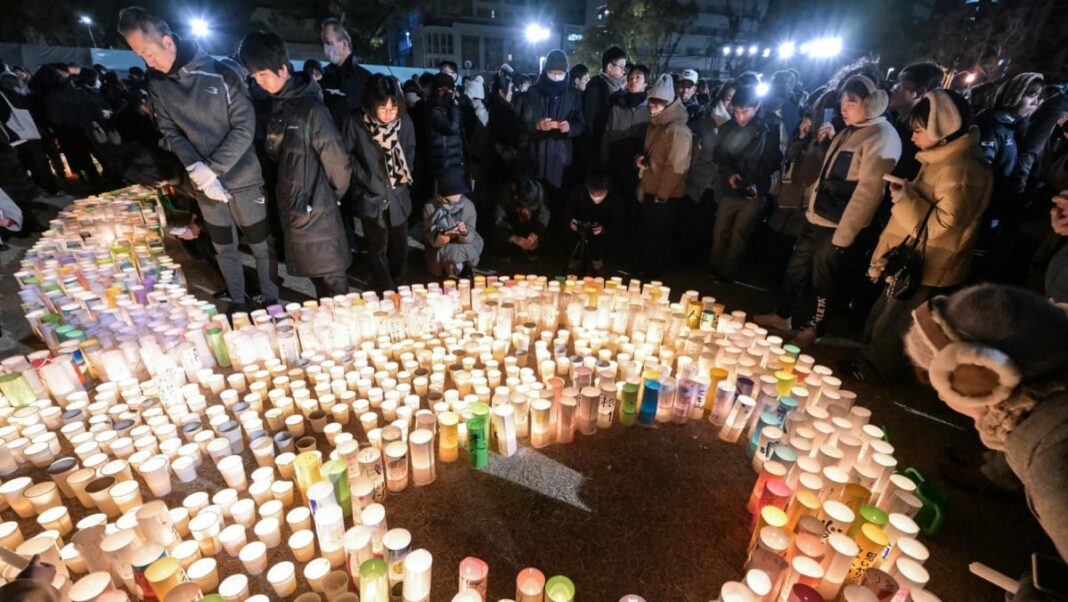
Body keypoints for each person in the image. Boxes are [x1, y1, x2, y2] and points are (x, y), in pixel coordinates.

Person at [903, 284, 1068, 597]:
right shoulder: (1044, 416)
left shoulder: (1050, 452)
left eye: (942, 382)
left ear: (980, 380)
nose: (940, 394)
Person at [118, 6, 279, 312]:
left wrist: (212, 169)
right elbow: (171, 132)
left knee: (260, 244)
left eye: (149, 52)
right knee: (223, 247)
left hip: (243, 178)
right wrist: (197, 170)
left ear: (167, 42)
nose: (147, 61)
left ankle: (272, 300)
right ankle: (238, 301)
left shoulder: (221, 73)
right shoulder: (159, 85)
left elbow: (245, 126)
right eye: (140, 55)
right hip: (204, 185)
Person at [846, 90, 992, 382]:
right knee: (887, 313)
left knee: (897, 320)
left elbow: (943, 225)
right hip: (914, 256)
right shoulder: (945, 159)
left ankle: (873, 369)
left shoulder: (960, 169)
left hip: (929, 265)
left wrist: (904, 199)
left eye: (919, 130)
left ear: (942, 128)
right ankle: (868, 360)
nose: (913, 137)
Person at [755, 75, 901, 346]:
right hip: (816, 217)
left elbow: (868, 191)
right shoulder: (849, 130)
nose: (844, 108)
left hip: (838, 223)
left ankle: (815, 328)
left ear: (870, 103)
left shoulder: (881, 136)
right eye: (843, 101)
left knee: (825, 280)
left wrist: (846, 234)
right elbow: (826, 176)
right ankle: (783, 315)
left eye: (852, 102)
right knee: (796, 268)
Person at [238, 31, 353, 299]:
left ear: (282, 68)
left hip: (316, 210)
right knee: (317, 281)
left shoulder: (311, 110)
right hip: (294, 210)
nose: (260, 82)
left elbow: (339, 166)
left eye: (263, 74)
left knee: (334, 283)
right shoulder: (272, 106)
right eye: (254, 77)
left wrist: (324, 198)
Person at [344, 74, 415, 292]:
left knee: (400, 245)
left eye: (393, 109)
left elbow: (410, 148)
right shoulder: (355, 123)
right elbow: (345, 156)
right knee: (377, 247)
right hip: (371, 196)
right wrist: (365, 177)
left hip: (398, 194)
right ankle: (385, 289)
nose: (388, 115)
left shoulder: (404, 122)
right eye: (383, 109)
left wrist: (405, 171)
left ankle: (400, 284)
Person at [709, 84, 783, 283]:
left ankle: (728, 274)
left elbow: (773, 158)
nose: (740, 117)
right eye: (736, 112)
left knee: (740, 233)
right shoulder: (729, 126)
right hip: (730, 187)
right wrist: (730, 173)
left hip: (754, 190)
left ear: (757, 106)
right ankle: (714, 269)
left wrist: (754, 182)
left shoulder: (770, 126)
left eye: (745, 112)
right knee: (720, 230)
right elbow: (720, 153)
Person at [635, 73, 692, 278]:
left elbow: (675, 167)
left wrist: (662, 194)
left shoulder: (678, 130)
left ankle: (652, 275)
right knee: (647, 234)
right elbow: (651, 153)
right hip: (651, 188)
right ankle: (644, 269)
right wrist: (639, 159)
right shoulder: (655, 125)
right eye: (651, 103)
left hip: (664, 195)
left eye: (657, 104)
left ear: (668, 104)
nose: (652, 108)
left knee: (658, 236)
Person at [521, 49, 585, 214]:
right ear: (545, 71)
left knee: (558, 203)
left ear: (566, 72)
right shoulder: (533, 92)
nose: (556, 75)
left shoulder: (574, 94)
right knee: (535, 201)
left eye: (560, 72)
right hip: (536, 155)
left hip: (562, 158)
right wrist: (536, 125)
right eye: (552, 72)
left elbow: (580, 124)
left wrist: (570, 128)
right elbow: (523, 121)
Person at [602, 64, 650, 246]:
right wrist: (604, 159)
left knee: (634, 205)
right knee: (615, 203)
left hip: (636, 168)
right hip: (616, 165)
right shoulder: (617, 107)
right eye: (630, 77)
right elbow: (607, 136)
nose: (633, 81)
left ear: (646, 83)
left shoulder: (649, 111)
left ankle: (629, 242)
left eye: (638, 78)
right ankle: (612, 241)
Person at [888, 62, 944, 181]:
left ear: (919, 93)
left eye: (903, 82)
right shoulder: (890, 120)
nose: (894, 88)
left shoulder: (920, 138)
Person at [423, 171, 483, 277]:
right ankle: (450, 268)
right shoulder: (431, 206)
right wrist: (442, 237)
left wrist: (464, 232)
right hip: (441, 249)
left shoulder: (468, 205)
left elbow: (471, 235)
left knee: (473, 245)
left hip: (463, 245)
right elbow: (430, 238)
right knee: (460, 251)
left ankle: (460, 268)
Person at [582, 46, 627, 167]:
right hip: (596, 149)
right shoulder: (595, 88)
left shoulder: (617, 90)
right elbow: (589, 122)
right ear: (610, 67)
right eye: (622, 67)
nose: (624, 71)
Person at [566, 172, 619, 274]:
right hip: (579, 229)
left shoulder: (614, 200)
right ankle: (576, 259)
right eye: (593, 194)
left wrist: (604, 229)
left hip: (601, 235)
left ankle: (598, 259)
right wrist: (570, 220)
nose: (596, 197)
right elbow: (568, 209)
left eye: (600, 194)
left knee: (605, 239)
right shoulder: (579, 192)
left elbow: (617, 224)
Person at [494, 177, 550, 262]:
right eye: (525, 207)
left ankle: (531, 250)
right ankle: (506, 251)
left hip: (531, 226)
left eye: (531, 207)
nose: (528, 212)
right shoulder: (505, 195)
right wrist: (513, 238)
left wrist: (535, 234)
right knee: (500, 235)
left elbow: (544, 218)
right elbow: (497, 222)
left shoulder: (540, 193)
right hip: (511, 224)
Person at [427, 73, 467, 188]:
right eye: (440, 90)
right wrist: (455, 106)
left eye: (448, 90)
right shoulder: (434, 110)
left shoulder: (450, 107)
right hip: (442, 165)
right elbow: (452, 128)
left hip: (455, 163)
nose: (444, 94)